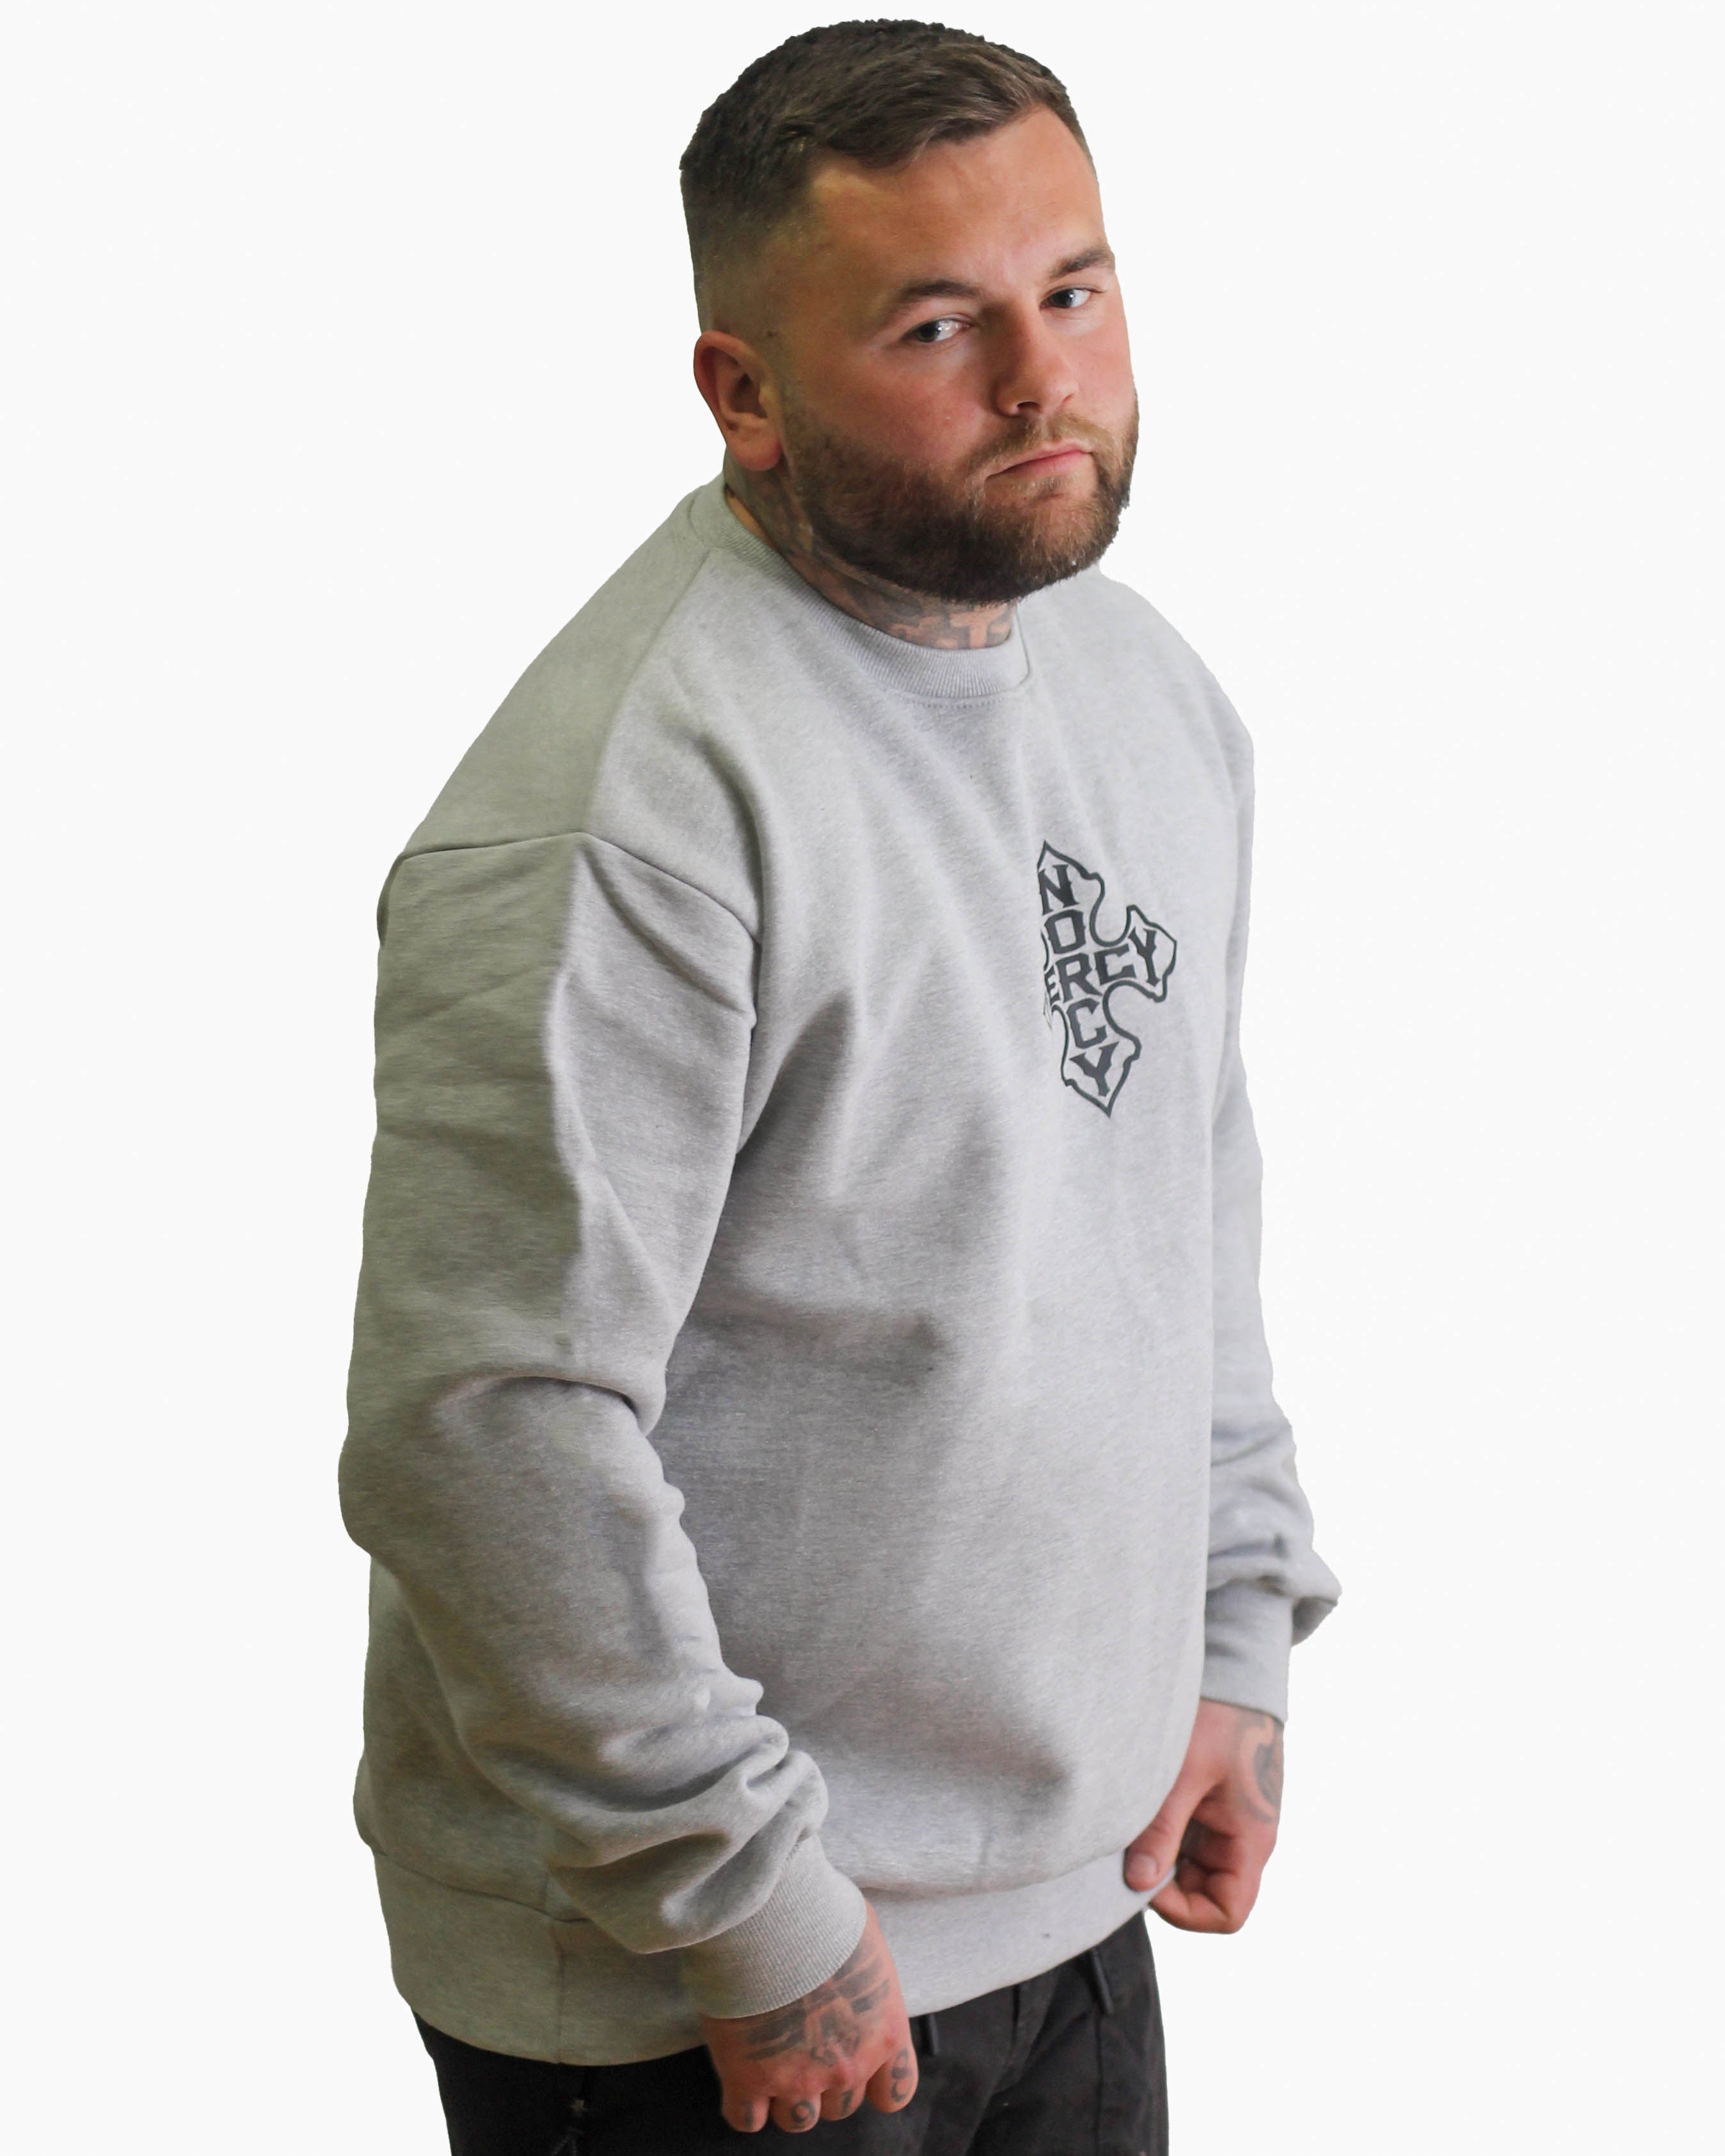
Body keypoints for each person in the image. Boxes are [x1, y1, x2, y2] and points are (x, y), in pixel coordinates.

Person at [340, 20, 1340, 2152]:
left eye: (1074, 289)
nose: (1045, 381)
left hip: (1077, 1894)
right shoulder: (623, 816)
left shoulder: (1146, 688)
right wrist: (751, 1907)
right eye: (938, 326)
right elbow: (489, 1431)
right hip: (714, 1985)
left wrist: (1232, 1634)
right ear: (745, 391)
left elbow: (1181, 1202)